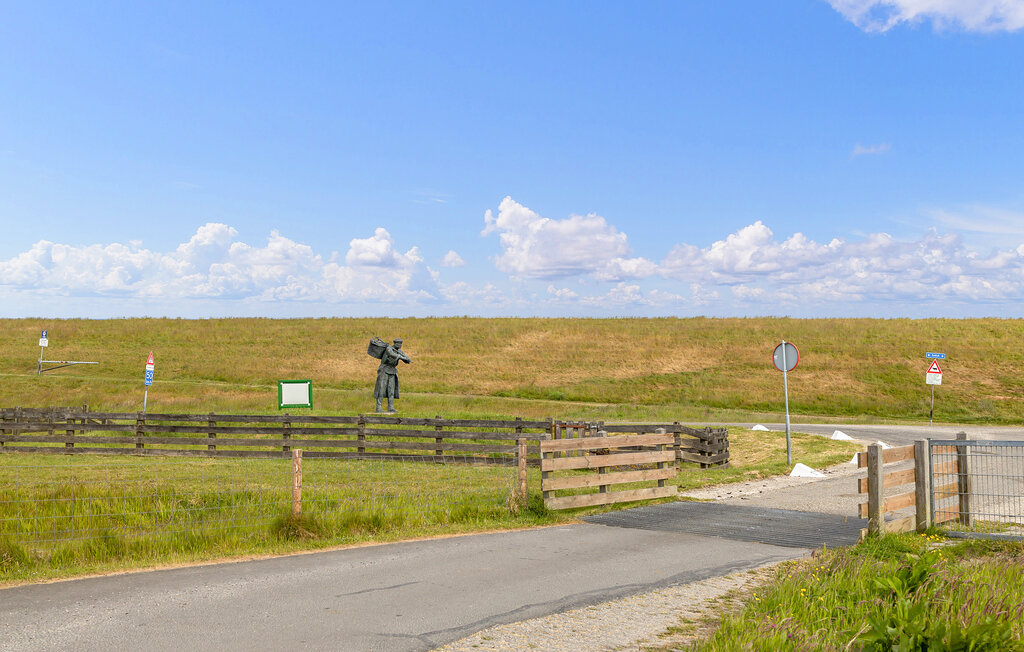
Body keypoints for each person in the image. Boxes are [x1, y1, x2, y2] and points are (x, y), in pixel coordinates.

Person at [375, 338, 411, 412]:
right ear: (394, 343)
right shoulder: (389, 349)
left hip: (392, 370)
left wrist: (407, 359)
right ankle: (379, 407)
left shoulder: (400, 351)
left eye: (401, 344)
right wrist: (401, 357)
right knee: (382, 389)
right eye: (398, 343)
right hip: (384, 369)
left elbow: (406, 359)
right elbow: (392, 355)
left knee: (391, 390)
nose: (400, 345)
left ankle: (390, 407)